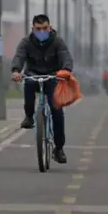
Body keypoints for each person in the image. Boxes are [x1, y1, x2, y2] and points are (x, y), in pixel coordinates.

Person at [10, 14, 73, 164]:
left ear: (50, 27)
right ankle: (29, 117)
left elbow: (65, 56)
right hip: (33, 75)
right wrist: (16, 71)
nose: (42, 32)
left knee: (56, 110)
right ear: (33, 29)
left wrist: (66, 70)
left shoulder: (57, 42)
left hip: (52, 77)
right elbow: (19, 56)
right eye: (38, 29)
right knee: (29, 85)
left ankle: (58, 148)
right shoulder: (26, 42)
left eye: (45, 28)